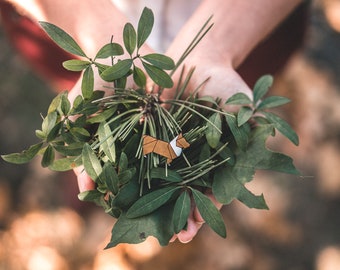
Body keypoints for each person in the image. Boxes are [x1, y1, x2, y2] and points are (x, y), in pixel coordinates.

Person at [0, 0, 307, 243]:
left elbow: (172, 146)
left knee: (225, 117)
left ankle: (179, 182)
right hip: (81, 30)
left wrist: (217, 48)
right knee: (87, 105)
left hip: (242, 26)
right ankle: (103, 167)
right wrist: (95, 28)